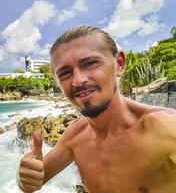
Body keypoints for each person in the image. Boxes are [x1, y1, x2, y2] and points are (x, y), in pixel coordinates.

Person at [17, 25, 176, 193]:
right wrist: (23, 178)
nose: (78, 81)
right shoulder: (75, 135)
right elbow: (32, 181)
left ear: (119, 64)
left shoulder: (165, 128)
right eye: (65, 73)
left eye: (90, 63)